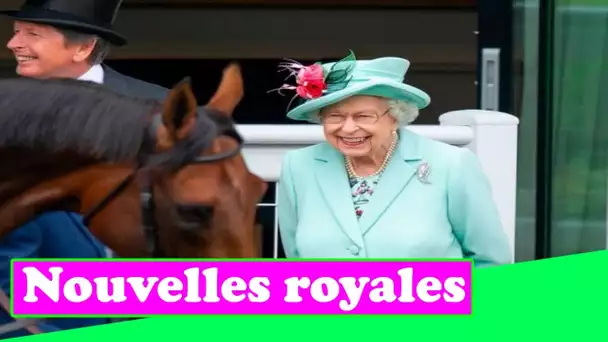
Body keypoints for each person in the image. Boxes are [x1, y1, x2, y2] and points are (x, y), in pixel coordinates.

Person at [0, 0, 169, 337]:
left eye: (32, 34)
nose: (13, 44)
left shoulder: (159, 106)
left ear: (83, 47)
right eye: (16, 32)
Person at [275, 51, 513, 267]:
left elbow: (490, 262)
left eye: (364, 116)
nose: (348, 128)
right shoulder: (299, 167)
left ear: (396, 116)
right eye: (334, 116)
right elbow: (298, 265)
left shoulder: (451, 165)